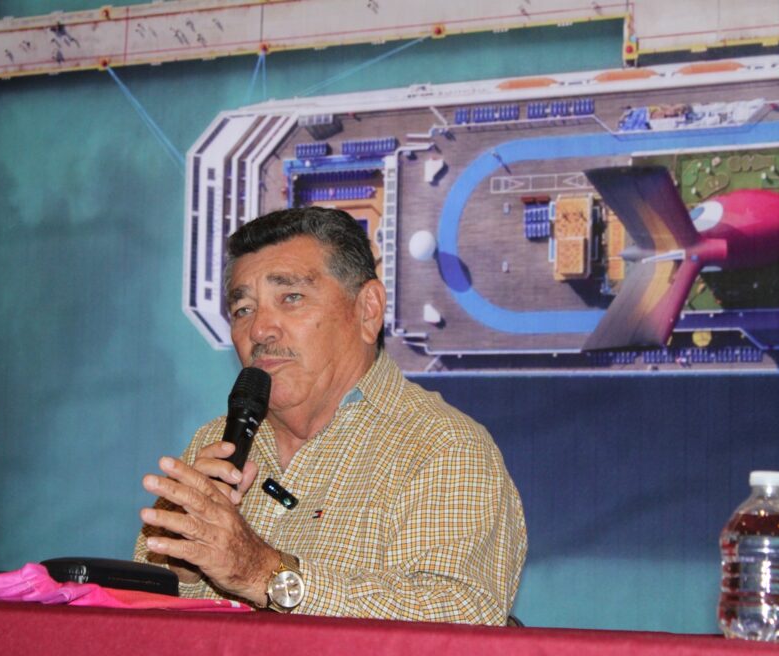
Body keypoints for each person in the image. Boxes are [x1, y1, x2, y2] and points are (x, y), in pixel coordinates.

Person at [134, 207, 526, 623]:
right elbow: (138, 627)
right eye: (243, 309)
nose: (260, 330)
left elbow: (459, 618)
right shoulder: (214, 443)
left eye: (291, 298)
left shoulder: (443, 445)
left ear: (367, 309)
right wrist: (181, 570)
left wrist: (264, 574)